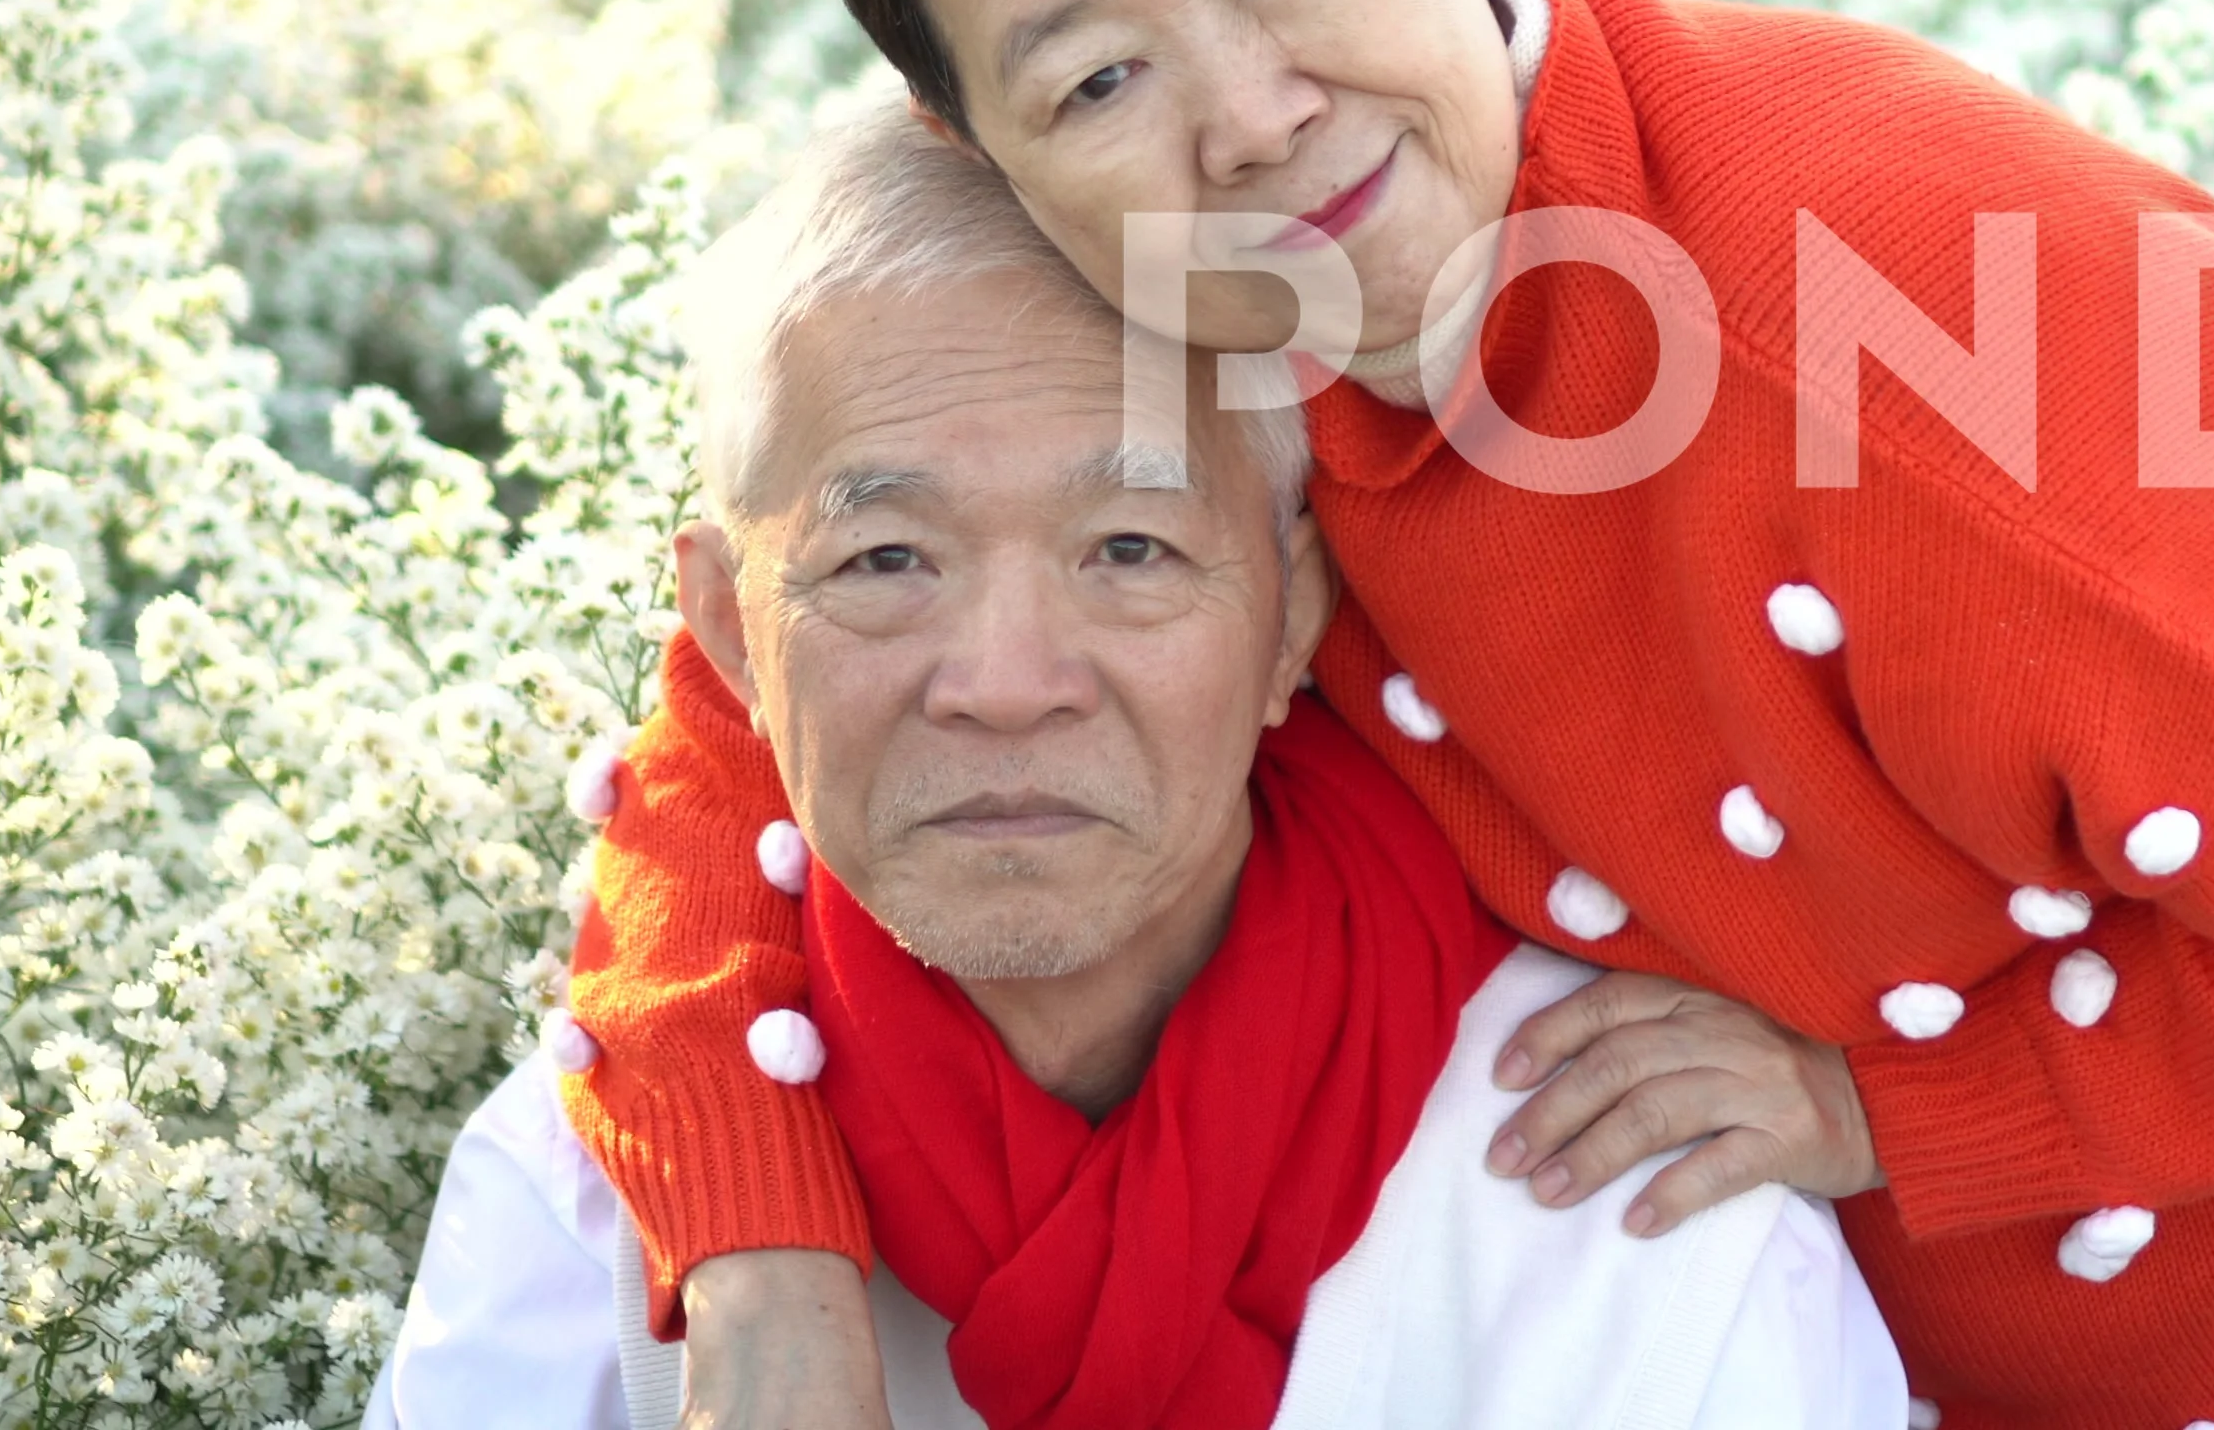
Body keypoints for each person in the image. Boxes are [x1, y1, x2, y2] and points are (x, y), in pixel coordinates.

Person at [568, 0, 2214, 1430]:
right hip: (1826, 1314)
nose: (1250, 112)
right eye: (1092, 75)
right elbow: (754, 706)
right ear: (973, 140)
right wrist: (759, 1252)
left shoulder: (1922, 355)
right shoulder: (1160, 285)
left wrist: (1883, 1108)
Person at [373, 105, 1907, 1430]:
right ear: (727, 627)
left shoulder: (1631, 1194)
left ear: (1294, 611)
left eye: (1131, 548)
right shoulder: (585, 1212)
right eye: (886, 557)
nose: (1004, 686)